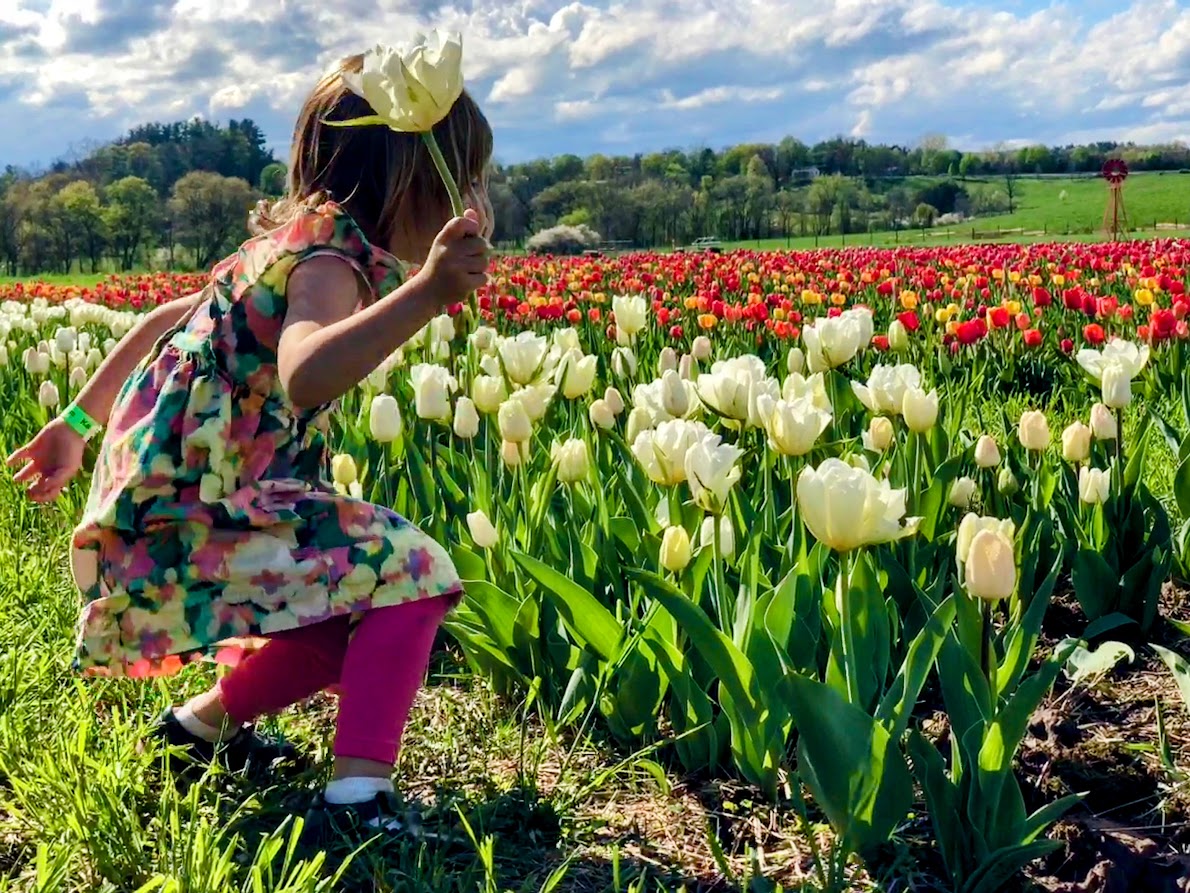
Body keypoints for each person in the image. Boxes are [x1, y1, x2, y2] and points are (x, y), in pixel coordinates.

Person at [7, 52, 493, 841]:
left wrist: (77, 423)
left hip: (181, 494)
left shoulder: (289, 246)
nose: (476, 199)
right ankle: (359, 798)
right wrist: (427, 293)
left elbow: (161, 322)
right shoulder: (330, 263)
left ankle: (193, 733)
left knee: (335, 622)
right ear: (406, 179)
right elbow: (306, 374)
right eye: (463, 177)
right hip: (212, 499)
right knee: (415, 573)